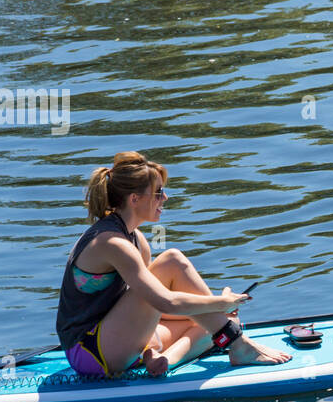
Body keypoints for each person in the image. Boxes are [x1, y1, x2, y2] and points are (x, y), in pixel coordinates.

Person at [57, 151, 292, 377]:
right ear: (134, 199)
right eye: (158, 192)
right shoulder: (111, 242)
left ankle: (166, 360)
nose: (165, 198)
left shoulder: (136, 238)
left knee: (221, 321)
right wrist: (220, 302)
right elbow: (164, 302)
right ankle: (238, 344)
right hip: (90, 351)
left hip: (116, 337)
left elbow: (141, 307)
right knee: (174, 264)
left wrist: (215, 309)